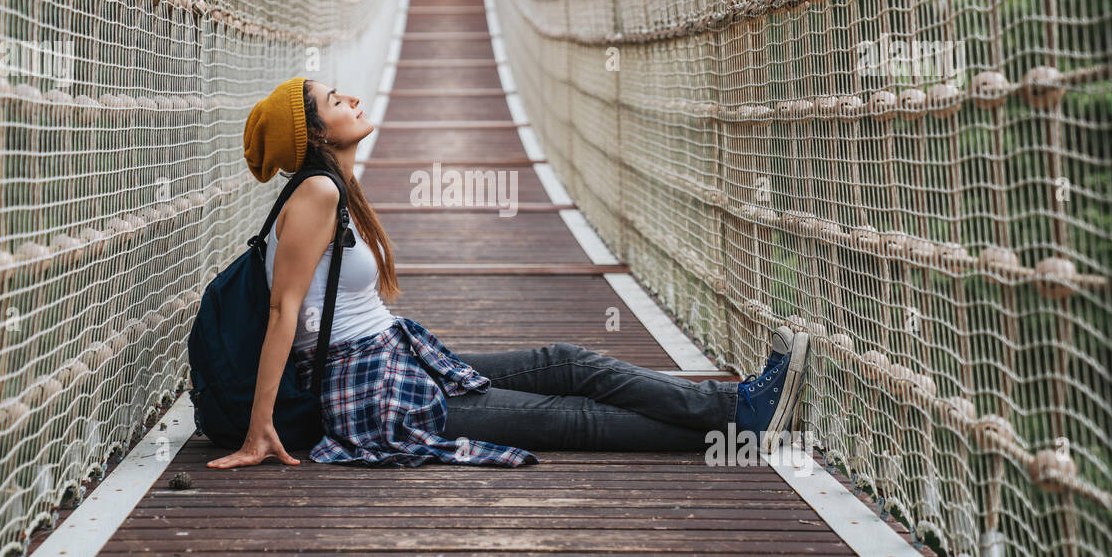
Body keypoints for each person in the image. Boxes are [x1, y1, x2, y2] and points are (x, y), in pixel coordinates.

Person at [206, 75, 809, 469]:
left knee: (570, 362)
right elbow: (286, 312)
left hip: (395, 361)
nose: (354, 100)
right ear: (314, 133)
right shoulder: (316, 192)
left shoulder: (335, 185)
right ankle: (741, 422)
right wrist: (261, 431)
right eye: (337, 102)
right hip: (374, 393)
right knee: (569, 419)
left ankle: (735, 408)